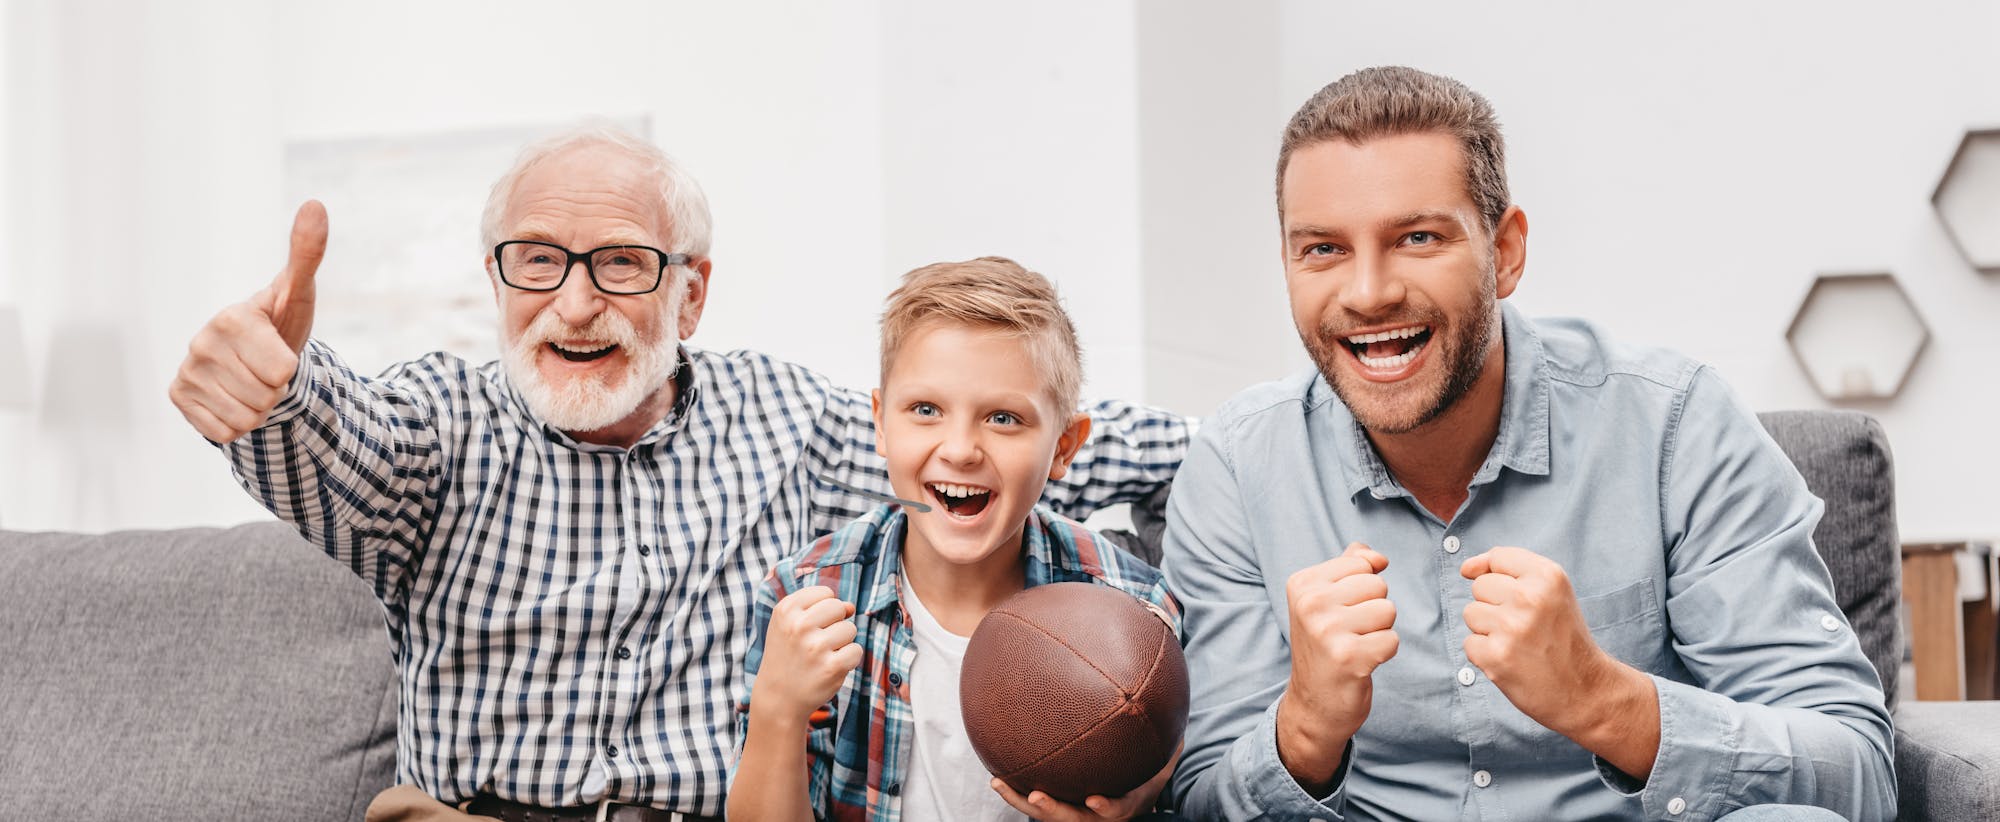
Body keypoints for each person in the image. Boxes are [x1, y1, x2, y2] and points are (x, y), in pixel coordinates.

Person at [166, 126, 1191, 821]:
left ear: (690, 294)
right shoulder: (438, 425)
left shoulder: (791, 421)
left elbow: (999, 437)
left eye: (619, 262)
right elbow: (339, 441)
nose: (574, 305)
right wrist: (274, 390)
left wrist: (1252, 450)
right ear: (497, 280)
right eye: (537, 260)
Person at [1163, 66, 1894, 821]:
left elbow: (1859, 776)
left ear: (1506, 251)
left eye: (1418, 237)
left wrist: (1603, 699)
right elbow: (1200, 799)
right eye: (1323, 249)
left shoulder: (1675, 425)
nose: (1369, 292)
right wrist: (1305, 727)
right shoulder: (1237, 467)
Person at [728, 257, 1180, 822]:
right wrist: (778, 709)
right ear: (880, 423)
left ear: (1064, 446)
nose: (961, 449)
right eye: (926, 410)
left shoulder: (1134, 612)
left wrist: (1139, 802)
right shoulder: (807, 595)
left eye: (1004, 418)